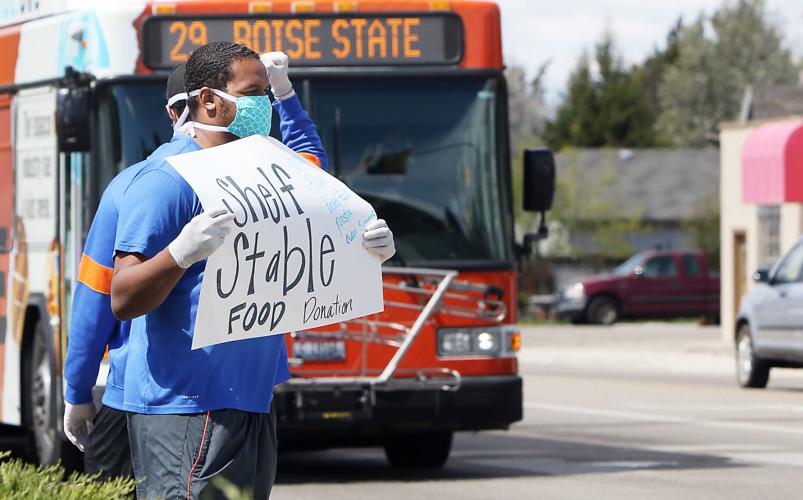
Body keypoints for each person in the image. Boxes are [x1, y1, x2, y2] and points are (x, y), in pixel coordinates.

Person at [111, 42, 394, 499]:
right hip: (185, 404)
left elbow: (313, 210)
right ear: (208, 100)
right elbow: (122, 297)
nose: (264, 106)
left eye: (267, 93)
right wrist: (180, 254)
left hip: (253, 398)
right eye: (253, 92)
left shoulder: (268, 170)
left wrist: (364, 251)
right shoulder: (167, 180)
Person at [62, 63, 193, 479]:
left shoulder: (132, 184)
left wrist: (77, 391)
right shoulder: (262, 183)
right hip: (240, 401)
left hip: (139, 393)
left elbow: (96, 297)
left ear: (172, 114)